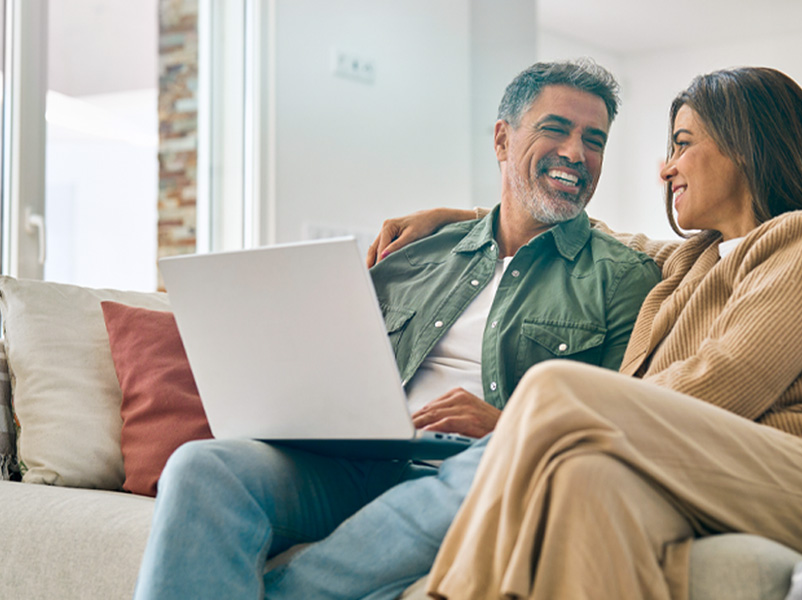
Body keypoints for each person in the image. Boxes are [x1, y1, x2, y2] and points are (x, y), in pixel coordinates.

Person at [362, 66, 802, 599]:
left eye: (682, 144)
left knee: (552, 389)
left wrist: (530, 423)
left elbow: (728, 381)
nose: (665, 168)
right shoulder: (691, 262)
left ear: (746, 146)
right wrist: (461, 217)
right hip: (708, 473)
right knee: (583, 478)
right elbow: (577, 229)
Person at [132, 60, 660, 599]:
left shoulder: (623, 279)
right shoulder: (414, 253)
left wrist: (506, 427)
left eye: (594, 140)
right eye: (556, 129)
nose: (577, 153)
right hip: (359, 465)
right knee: (204, 465)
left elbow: (612, 426)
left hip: (478, 469)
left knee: (503, 467)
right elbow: (339, 363)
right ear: (503, 139)